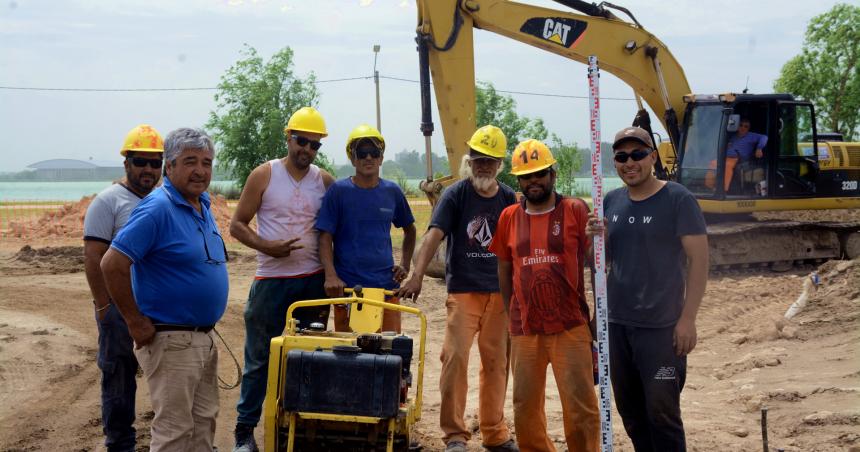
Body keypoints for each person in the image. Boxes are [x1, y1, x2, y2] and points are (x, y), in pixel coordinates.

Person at [100, 128, 229, 452]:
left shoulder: (202, 205)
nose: (200, 170)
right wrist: (133, 320)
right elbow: (111, 264)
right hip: (172, 341)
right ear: (169, 167)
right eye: (190, 162)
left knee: (203, 425)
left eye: (206, 162)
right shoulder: (157, 208)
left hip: (202, 338)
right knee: (174, 432)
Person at [586, 126, 708, 451]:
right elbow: (601, 262)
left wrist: (688, 320)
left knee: (662, 412)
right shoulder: (610, 201)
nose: (630, 162)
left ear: (652, 156)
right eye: (622, 156)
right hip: (617, 326)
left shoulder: (678, 199)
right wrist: (593, 240)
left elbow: (699, 261)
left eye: (638, 154)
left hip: (662, 330)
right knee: (631, 414)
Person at [396, 125, 518, 452]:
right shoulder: (456, 195)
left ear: (499, 164)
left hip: (499, 294)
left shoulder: (508, 198)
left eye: (490, 161)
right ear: (470, 160)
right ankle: (454, 434)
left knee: (496, 364)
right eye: (478, 159)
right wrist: (417, 274)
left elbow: (519, 245)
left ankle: (495, 432)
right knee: (454, 359)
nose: (483, 166)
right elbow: (433, 235)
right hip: (464, 291)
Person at [230, 107, 335, 452]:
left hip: (313, 284)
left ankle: (300, 431)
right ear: (288, 137)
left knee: (308, 358)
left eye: (314, 145)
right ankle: (245, 432)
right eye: (301, 141)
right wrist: (267, 246)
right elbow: (237, 224)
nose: (306, 149)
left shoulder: (325, 181)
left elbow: (337, 229)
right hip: (271, 282)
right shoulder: (264, 175)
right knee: (259, 358)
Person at [488, 139, 599, 452]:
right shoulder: (509, 216)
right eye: (526, 176)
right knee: (525, 408)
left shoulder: (576, 210)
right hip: (525, 330)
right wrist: (513, 315)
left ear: (552, 174)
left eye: (539, 174)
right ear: (519, 181)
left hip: (572, 326)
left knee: (581, 408)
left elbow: (596, 264)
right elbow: (504, 270)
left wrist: (596, 318)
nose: (533, 181)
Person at [83, 124, 164, 452]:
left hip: (159, 308)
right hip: (118, 308)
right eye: (140, 161)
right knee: (118, 376)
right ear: (126, 163)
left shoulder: (163, 199)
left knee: (166, 378)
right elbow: (93, 256)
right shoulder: (108, 202)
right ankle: (120, 443)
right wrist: (104, 307)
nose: (148, 169)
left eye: (155, 162)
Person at [316, 124, 416, 333]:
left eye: (374, 153)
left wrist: (405, 264)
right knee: (349, 354)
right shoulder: (339, 192)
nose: (368, 158)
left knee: (388, 353)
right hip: (348, 290)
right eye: (362, 153)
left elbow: (410, 229)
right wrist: (331, 275)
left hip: (386, 289)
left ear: (381, 158)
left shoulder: (392, 192)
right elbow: (325, 237)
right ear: (353, 159)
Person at [726, 118, 768, 191]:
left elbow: (764, 137)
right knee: (715, 164)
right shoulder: (733, 136)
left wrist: (759, 148)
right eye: (741, 125)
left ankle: (725, 190)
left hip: (742, 161)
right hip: (727, 159)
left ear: (749, 128)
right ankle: (711, 186)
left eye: (746, 126)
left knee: (729, 167)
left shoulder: (751, 136)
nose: (743, 128)